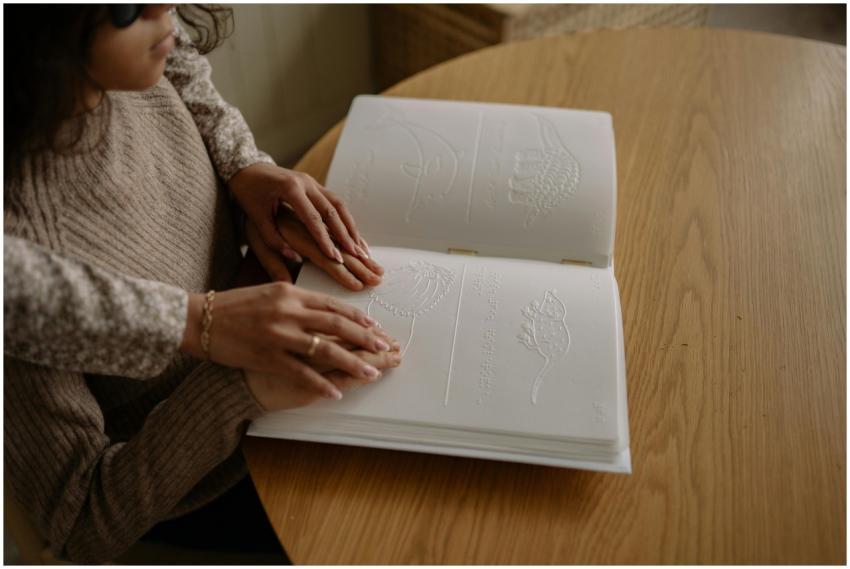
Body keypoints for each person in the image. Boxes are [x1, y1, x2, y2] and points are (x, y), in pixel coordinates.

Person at [4, 4, 399, 563]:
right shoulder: (24, 260)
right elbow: (79, 526)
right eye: (124, 9)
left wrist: (245, 173)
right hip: (217, 481)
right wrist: (235, 385)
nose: (168, 11)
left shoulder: (140, 63)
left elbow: (182, 65)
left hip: (281, 392)